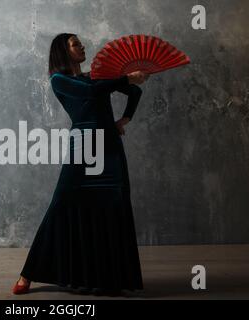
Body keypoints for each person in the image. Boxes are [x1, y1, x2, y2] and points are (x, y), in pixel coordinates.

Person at [13, 33, 149, 295]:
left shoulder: (95, 77)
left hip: (110, 148)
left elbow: (135, 91)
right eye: (76, 44)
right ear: (63, 52)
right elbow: (90, 91)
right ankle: (27, 273)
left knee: (114, 207)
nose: (83, 45)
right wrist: (125, 77)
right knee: (60, 204)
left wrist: (125, 119)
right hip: (84, 147)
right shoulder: (59, 80)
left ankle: (111, 279)